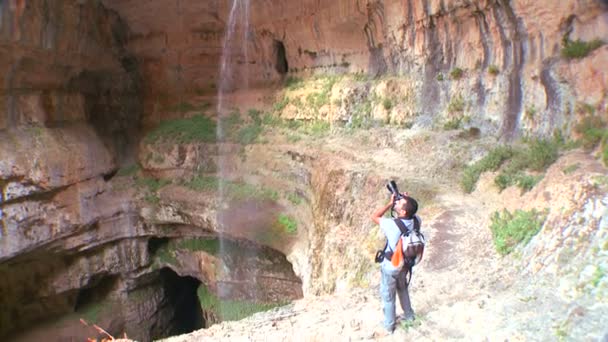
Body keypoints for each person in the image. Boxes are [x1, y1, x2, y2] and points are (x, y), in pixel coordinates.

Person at [371, 192, 422, 334]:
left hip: (391, 266)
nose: (397, 203)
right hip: (405, 265)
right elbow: (412, 212)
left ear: (403, 211)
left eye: (399, 203)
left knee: (388, 296)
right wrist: (408, 201)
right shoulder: (417, 220)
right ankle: (409, 316)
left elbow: (375, 217)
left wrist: (389, 204)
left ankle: (389, 325)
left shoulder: (391, 225)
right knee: (403, 289)